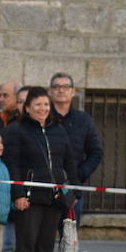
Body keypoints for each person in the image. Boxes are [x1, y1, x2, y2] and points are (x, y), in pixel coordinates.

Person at [3, 87, 78, 252]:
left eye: (46, 104)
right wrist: (18, 194)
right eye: (37, 105)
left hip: (54, 198)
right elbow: (13, 164)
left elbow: (69, 161)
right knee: (26, 243)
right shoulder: (17, 131)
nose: (43, 109)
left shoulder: (58, 130)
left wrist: (72, 189)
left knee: (46, 245)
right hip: (29, 197)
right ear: (27, 108)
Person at [48, 72, 104, 226]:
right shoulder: (43, 117)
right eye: (56, 87)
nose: (61, 90)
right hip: (45, 184)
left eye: (65, 87)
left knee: (69, 237)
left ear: (73, 91)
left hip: (72, 186)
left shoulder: (84, 120)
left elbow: (96, 152)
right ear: (50, 91)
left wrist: (79, 174)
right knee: (42, 238)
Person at [0, 80, 25, 252]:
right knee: (6, 242)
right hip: (6, 189)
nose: (1, 99)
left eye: (6, 95)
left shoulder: (24, 127)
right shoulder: (3, 122)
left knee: (23, 243)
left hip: (25, 189)